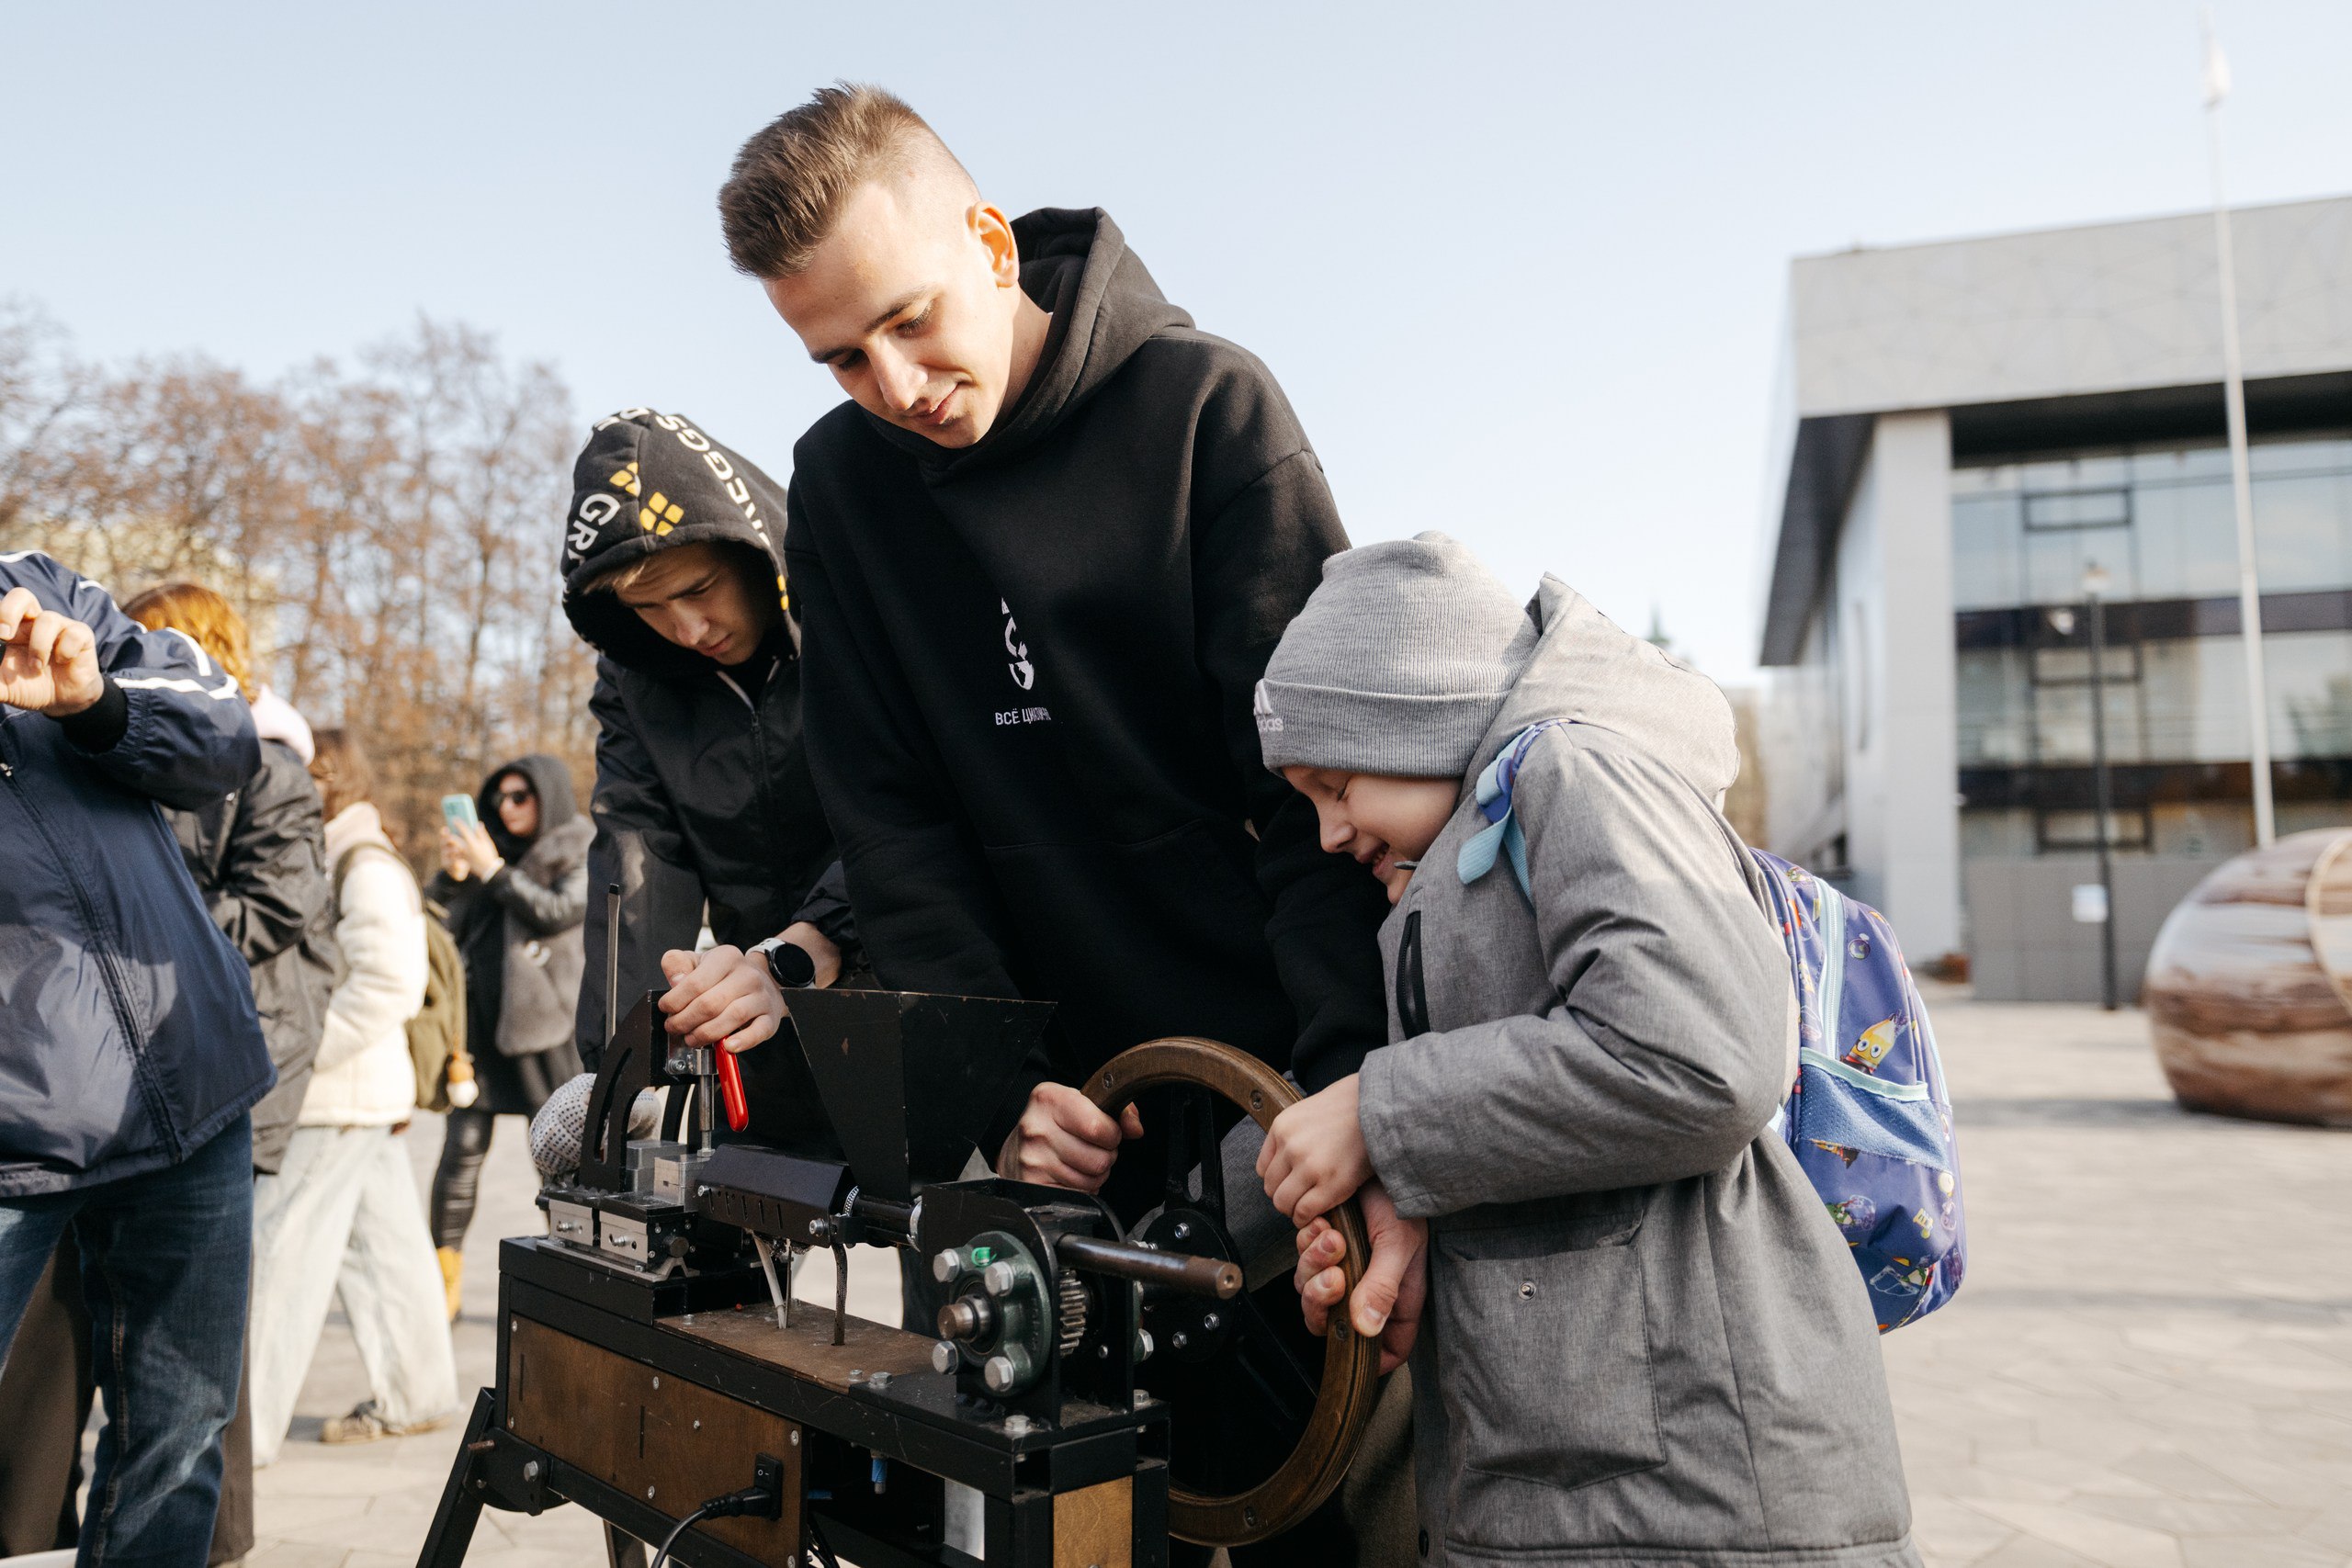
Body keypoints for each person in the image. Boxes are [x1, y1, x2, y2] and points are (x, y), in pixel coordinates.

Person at [683, 84, 1396, 1564]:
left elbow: (1311, 801)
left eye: (911, 321)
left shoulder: (1211, 410)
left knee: (1302, 1521)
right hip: (1043, 1128)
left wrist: (1329, 1104)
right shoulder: (841, 488)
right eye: (838, 358)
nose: (893, 384)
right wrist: (993, 1087)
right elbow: (896, 827)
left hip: (1265, 1096)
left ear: (992, 242)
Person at [1251, 534, 1919, 1568]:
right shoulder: (1456, 864)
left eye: (1335, 784)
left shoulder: (1577, 767)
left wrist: (1379, 1110)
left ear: (1424, 718)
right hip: (1583, 1490)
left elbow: (1699, 1057)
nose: (1329, 833)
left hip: (1697, 1503)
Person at [0, 551, 274, 1568]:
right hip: (15, 1137)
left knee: (184, 1439)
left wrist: (97, 701)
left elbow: (227, 739)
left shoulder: (36, 588)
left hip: (187, 1088)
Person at [556, 408, 856, 1073]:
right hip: (753, 1023)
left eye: (699, 588)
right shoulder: (632, 680)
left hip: (912, 990)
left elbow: (912, 807)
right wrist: (617, 1068)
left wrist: (812, 945)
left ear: (748, 548)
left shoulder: (852, 601)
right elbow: (637, 862)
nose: (688, 629)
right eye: (649, 609)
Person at [246, 728, 459, 1461]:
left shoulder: (358, 862)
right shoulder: (347, 854)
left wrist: (296, 1059)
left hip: (335, 1095)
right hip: (354, 1096)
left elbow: (387, 985)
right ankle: (417, 1394)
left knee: (276, 1259)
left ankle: (241, 1436)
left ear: (325, 780)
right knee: (387, 1253)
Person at [426, 755, 592, 1316]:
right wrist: (455, 876)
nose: (507, 807)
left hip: (545, 1032)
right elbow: (441, 922)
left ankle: (571, 1278)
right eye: (499, 797)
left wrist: (493, 869)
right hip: (477, 1033)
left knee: (556, 1161)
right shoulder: (483, 851)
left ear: (547, 796)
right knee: (460, 1154)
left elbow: (560, 910)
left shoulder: (576, 844)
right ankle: (442, 1280)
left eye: (521, 796)